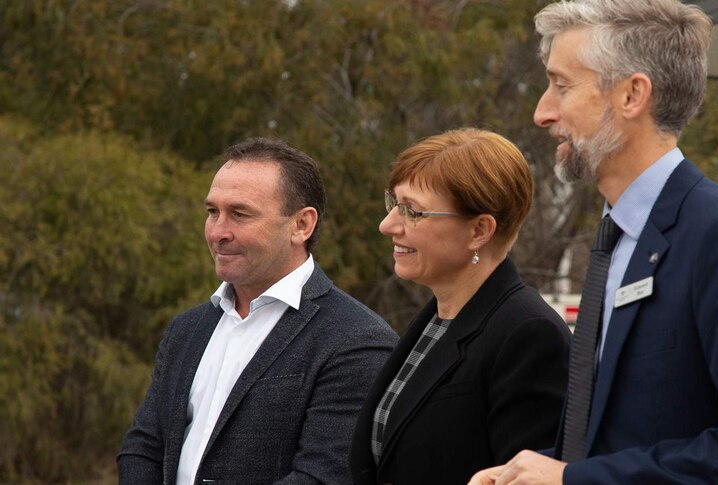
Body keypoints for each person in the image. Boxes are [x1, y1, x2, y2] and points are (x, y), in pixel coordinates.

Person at [469, 1, 718, 484]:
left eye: (562, 85)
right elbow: (617, 441)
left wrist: (573, 480)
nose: (542, 113)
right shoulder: (615, 238)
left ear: (632, 95)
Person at [117, 138, 397, 484]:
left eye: (240, 214)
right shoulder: (186, 329)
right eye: (212, 212)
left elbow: (322, 477)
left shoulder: (356, 341)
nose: (218, 232)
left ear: (302, 225)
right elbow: (143, 447)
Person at [348, 128, 571, 484]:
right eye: (393, 203)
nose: (387, 225)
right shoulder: (436, 320)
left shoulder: (529, 336)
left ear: (479, 230)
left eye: (412, 211)